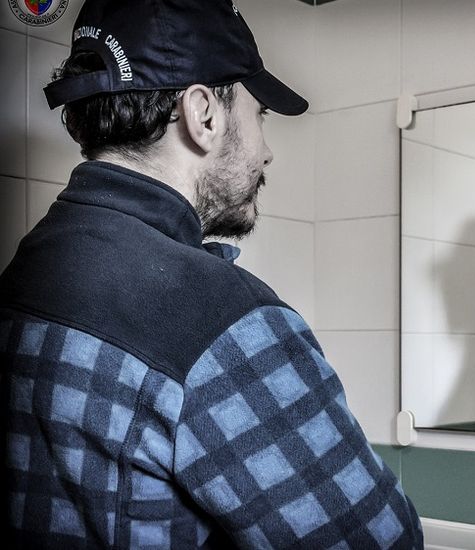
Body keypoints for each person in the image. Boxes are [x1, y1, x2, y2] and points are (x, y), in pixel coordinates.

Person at [0, 1, 423, 548]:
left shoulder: (25, 270)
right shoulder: (222, 322)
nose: (266, 152)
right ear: (203, 115)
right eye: (259, 115)